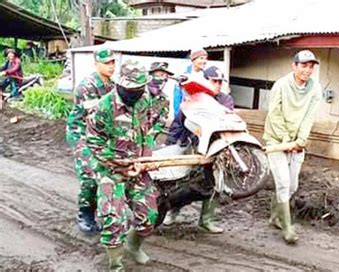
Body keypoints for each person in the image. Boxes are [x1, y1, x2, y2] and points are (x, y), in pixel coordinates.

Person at [86, 60, 166, 271]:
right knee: (113, 219)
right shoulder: (103, 107)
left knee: (150, 215)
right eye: (132, 89)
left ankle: (133, 245)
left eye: (140, 89)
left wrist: (145, 160)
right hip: (111, 170)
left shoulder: (144, 100)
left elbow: (147, 130)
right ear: (120, 85)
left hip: (138, 167)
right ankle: (115, 265)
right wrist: (120, 165)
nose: (137, 93)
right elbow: (94, 143)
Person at [163, 66, 234, 233]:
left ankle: (206, 220)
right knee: (183, 183)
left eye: (219, 82)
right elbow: (179, 123)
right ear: (204, 81)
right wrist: (171, 143)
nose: (217, 85)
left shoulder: (225, 100)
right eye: (213, 81)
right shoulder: (193, 99)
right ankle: (173, 210)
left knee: (215, 182)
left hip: (216, 147)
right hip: (193, 146)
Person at [263, 50, 322, 244]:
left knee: (292, 185)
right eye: (303, 65)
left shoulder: (315, 88)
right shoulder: (281, 85)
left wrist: (300, 140)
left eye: (311, 66)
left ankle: (274, 216)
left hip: (297, 143)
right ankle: (287, 228)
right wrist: (285, 140)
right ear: (294, 66)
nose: (307, 70)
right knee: (283, 183)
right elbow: (274, 113)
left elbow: (309, 116)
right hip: (276, 140)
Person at [66, 48, 115, 234]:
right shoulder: (87, 86)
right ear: (97, 64)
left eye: (112, 62)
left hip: (100, 134)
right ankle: (85, 214)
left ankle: (108, 210)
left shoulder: (112, 85)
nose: (111, 66)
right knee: (89, 174)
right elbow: (96, 114)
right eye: (106, 63)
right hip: (81, 133)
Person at [172, 48, 208, 118]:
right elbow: (177, 96)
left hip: (199, 112)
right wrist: (177, 115)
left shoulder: (205, 76)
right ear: (193, 60)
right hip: (185, 111)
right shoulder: (184, 75)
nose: (204, 61)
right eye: (201, 58)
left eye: (206, 59)